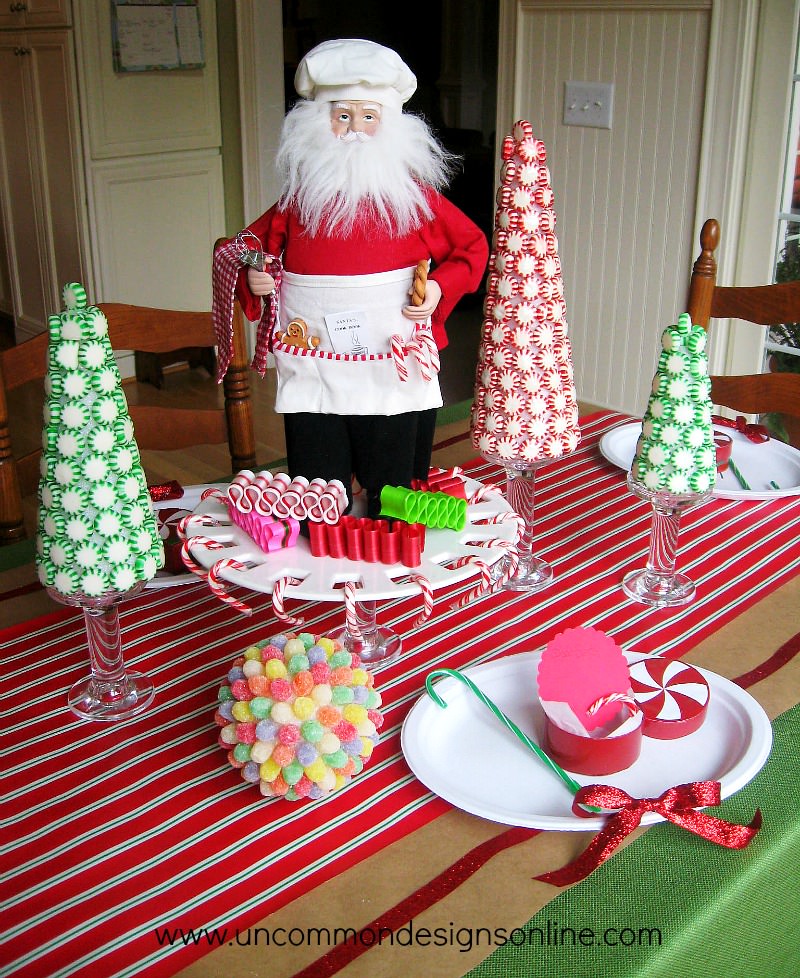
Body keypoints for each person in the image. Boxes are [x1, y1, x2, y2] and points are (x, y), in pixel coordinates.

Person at [232, 38, 488, 517]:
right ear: (318, 123)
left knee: (393, 491)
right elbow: (245, 249)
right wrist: (256, 275)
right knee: (317, 489)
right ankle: (324, 534)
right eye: (342, 116)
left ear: (389, 125)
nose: (354, 130)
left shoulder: (414, 199)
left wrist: (438, 288)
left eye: (368, 117)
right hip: (313, 367)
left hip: (393, 366)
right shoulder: (298, 200)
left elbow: (472, 247)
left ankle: (390, 539)